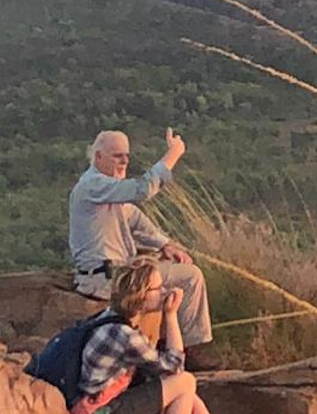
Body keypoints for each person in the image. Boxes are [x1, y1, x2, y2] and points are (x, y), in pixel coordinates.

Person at [69, 128, 219, 371]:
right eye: (117, 156)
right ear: (98, 158)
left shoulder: (105, 190)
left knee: (168, 270)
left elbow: (135, 219)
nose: (124, 161)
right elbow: (142, 190)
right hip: (107, 278)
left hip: (112, 273)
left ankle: (164, 345)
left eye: (126, 156)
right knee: (191, 278)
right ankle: (186, 350)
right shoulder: (92, 185)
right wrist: (173, 154)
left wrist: (165, 244)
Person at [71, 258, 220, 414]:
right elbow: (174, 365)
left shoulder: (109, 319)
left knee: (184, 387)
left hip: (93, 409)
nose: (163, 292)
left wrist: (194, 400)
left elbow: (162, 373)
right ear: (140, 295)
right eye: (157, 288)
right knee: (185, 382)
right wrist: (171, 316)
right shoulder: (124, 335)